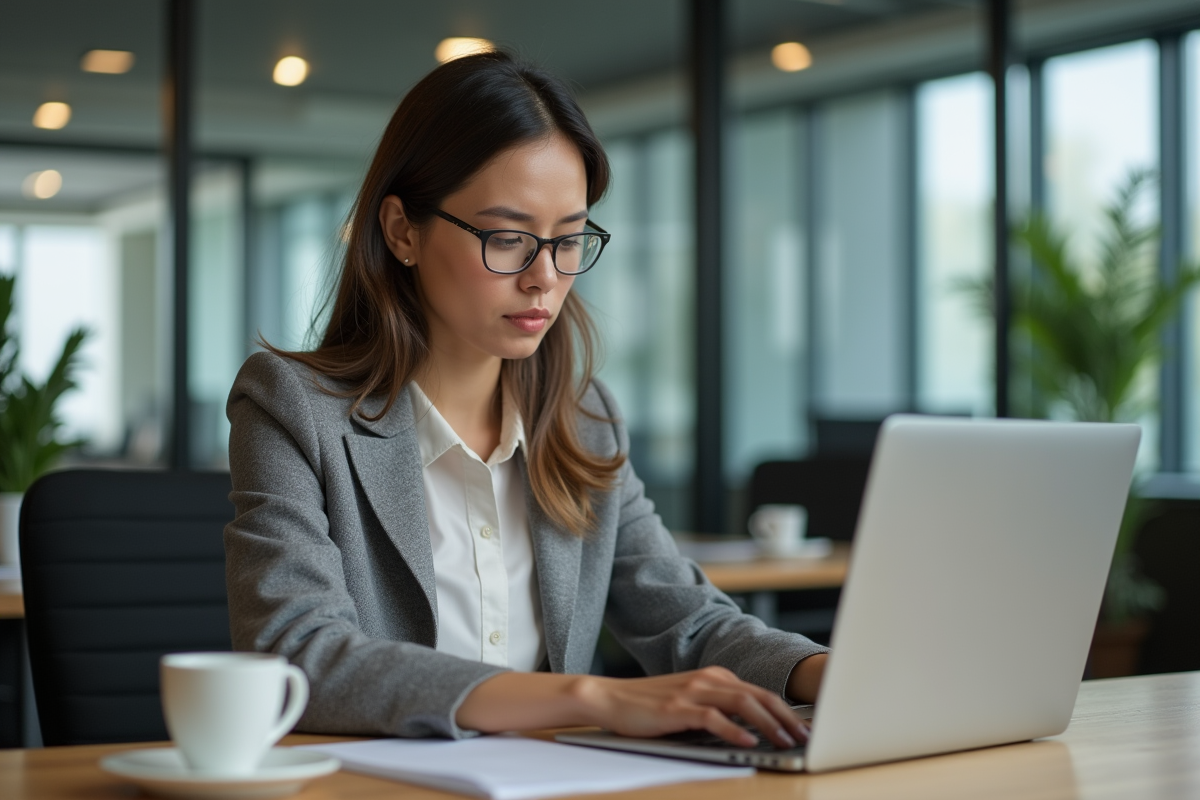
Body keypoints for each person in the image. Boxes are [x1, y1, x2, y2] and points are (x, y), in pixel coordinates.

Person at [224, 50, 828, 749]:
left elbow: (685, 621)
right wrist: (590, 696)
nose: (544, 277)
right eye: (508, 239)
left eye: (568, 239)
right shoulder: (292, 408)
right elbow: (294, 652)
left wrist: (830, 673)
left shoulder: (584, 421)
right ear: (401, 232)